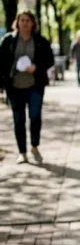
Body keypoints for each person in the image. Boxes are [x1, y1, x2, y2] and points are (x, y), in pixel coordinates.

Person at [0, 11, 55, 164]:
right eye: (22, 20)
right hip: (14, 86)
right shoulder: (8, 40)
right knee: (19, 119)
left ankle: (34, 146)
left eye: (28, 20)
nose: (25, 23)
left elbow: (49, 59)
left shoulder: (40, 41)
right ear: (17, 23)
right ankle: (22, 152)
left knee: (35, 116)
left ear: (33, 23)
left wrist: (37, 67)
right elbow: (1, 62)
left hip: (34, 85)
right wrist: (2, 84)